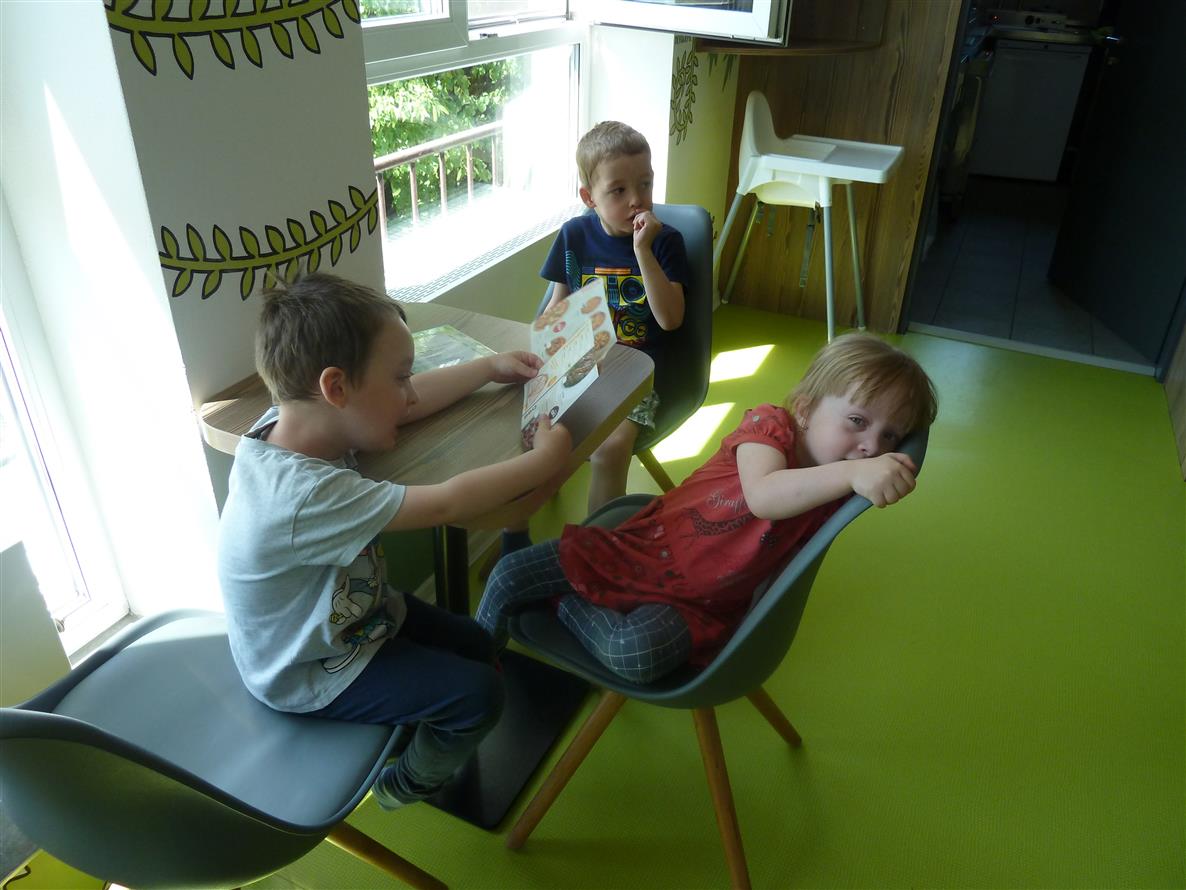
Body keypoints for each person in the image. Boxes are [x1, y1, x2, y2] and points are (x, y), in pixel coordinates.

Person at [217, 272, 572, 810]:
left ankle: (419, 719)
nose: (409, 393)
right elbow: (449, 504)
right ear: (336, 388)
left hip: (351, 619)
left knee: (478, 644)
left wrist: (488, 368)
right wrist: (545, 461)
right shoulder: (303, 497)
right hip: (305, 669)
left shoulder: (297, 423)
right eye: (400, 377)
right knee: (479, 697)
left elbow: (405, 405)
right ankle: (404, 785)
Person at [476, 332, 938, 684]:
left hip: (703, 603)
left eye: (890, 436)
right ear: (804, 409)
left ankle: (562, 600)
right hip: (645, 548)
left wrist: (861, 474)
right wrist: (854, 474)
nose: (871, 447)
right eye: (857, 421)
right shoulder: (770, 425)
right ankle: (475, 670)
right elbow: (765, 495)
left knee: (636, 655)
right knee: (508, 575)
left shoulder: (841, 483)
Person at [499, 120, 690, 557]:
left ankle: (595, 552)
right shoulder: (574, 234)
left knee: (610, 447)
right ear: (589, 198)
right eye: (618, 190)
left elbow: (670, 319)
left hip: (636, 374)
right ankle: (514, 534)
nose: (637, 199)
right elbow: (557, 306)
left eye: (645, 183)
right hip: (580, 364)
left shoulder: (666, 243)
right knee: (523, 433)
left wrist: (643, 251)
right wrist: (545, 348)